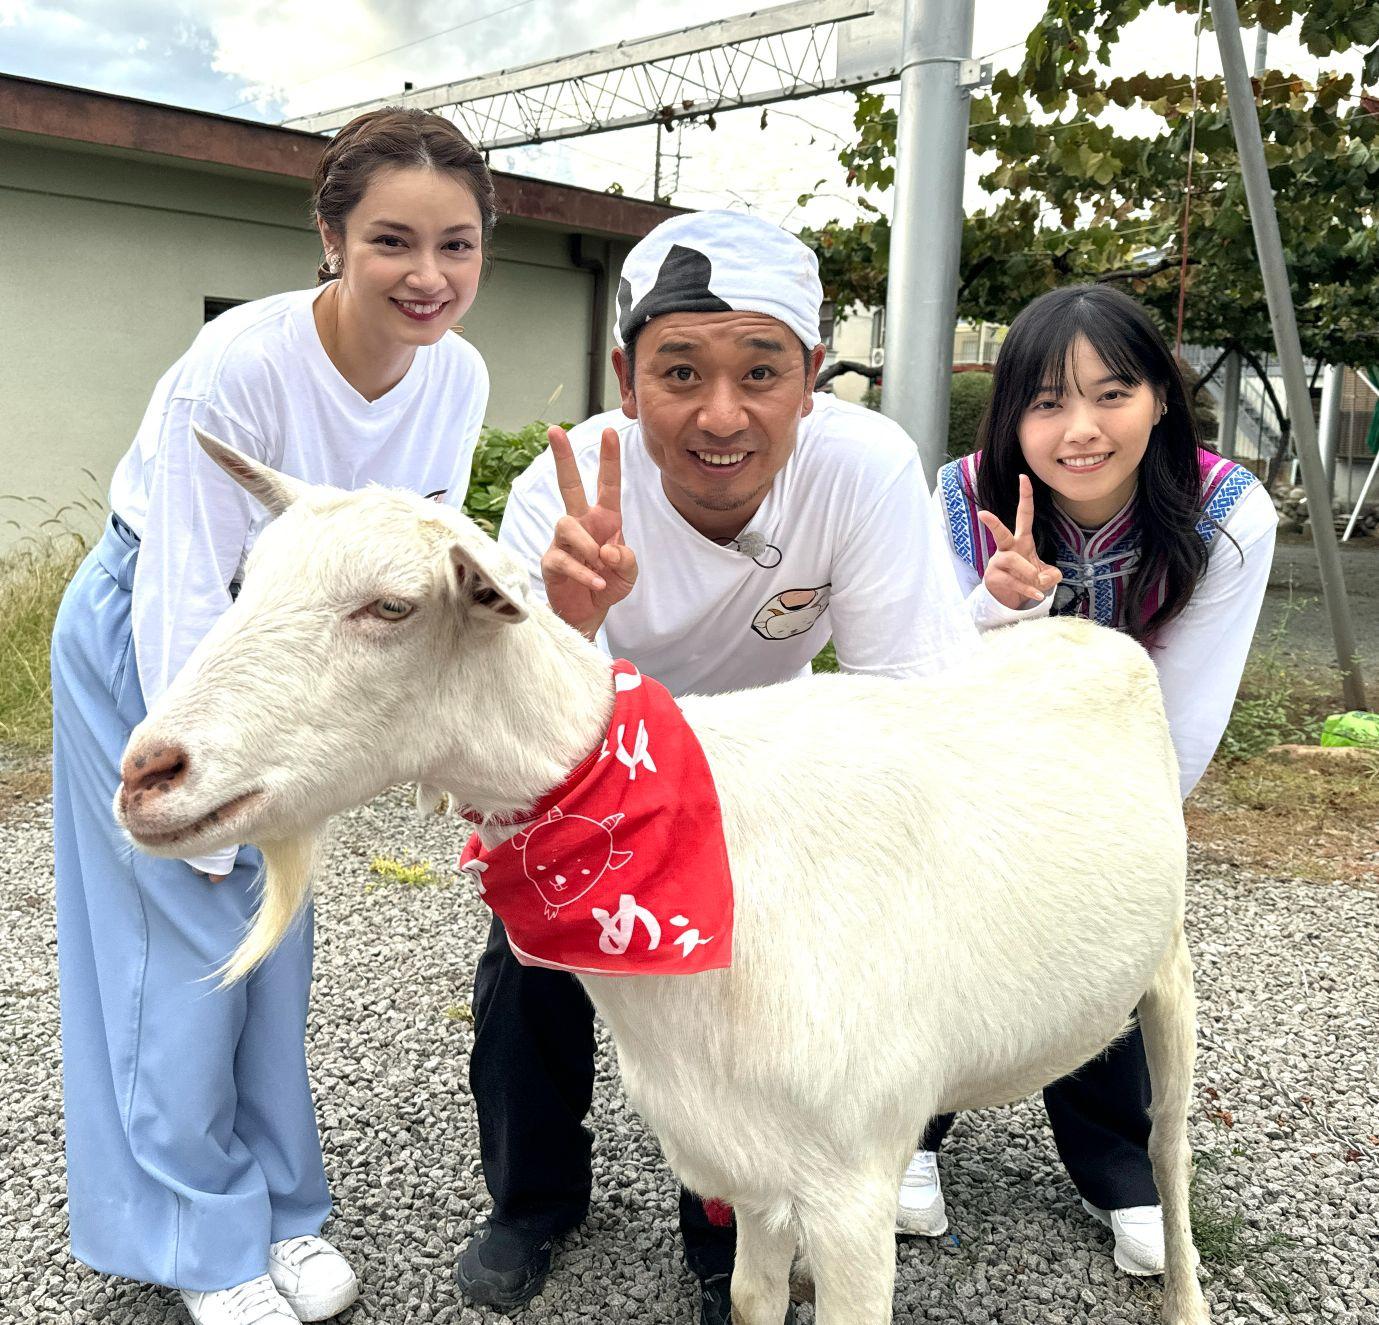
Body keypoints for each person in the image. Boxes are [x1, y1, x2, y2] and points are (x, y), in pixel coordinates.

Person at [452, 209, 981, 1325]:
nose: (721, 414)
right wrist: (572, 618)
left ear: (811, 379)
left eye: (760, 370)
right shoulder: (565, 485)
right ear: (626, 378)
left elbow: (914, 702)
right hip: (598, 766)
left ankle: (729, 1226)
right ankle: (531, 1196)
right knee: (533, 948)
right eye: (679, 370)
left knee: (756, 990)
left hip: (773, 768)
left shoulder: (861, 463)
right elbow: (529, 742)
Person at [50, 108, 497, 1325]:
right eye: (392, 240)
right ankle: (198, 1237)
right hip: (160, 636)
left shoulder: (456, 372)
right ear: (330, 237)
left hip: (298, 658)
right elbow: (185, 585)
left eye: (455, 245)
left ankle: (281, 1209)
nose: (427, 276)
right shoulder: (240, 365)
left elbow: (405, 561)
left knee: (276, 931)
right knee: (184, 927)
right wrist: (200, 804)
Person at [915, 282, 1276, 1275]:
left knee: (1105, 925)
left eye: (1109, 392)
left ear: (1159, 394)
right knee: (944, 924)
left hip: (1115, 772)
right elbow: (936, 683)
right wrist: (998, 609)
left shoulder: (1227, 513)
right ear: (1010, 418)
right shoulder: (957, 499)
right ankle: (912, 1126)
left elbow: (1184, 710)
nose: (1078, 429)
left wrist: (1110, 840)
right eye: (1044, 402)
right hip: (976, 764)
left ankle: (1115, 1157)